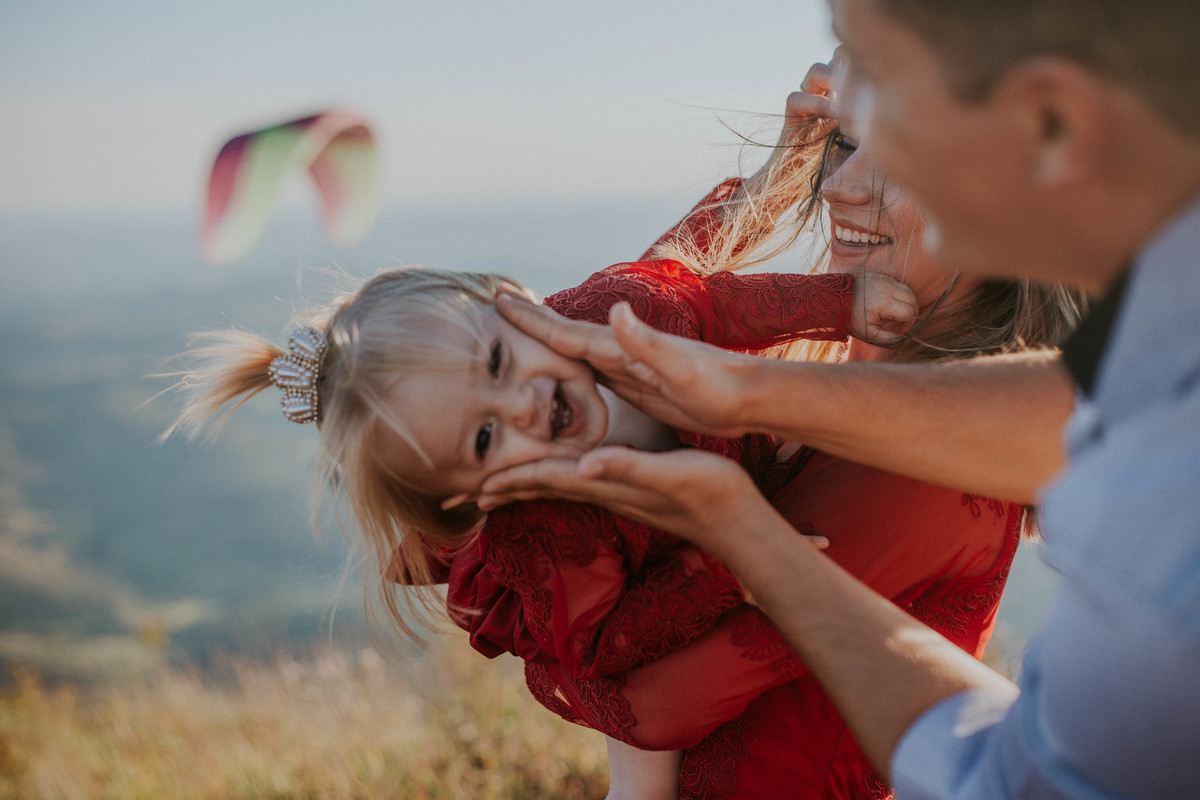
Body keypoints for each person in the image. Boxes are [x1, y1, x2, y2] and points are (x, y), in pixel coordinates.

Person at [476, 1, 1200, 797]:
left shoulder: (933, 478)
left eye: (895, 136)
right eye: (843, 145)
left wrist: (485, 555)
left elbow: (646, 708)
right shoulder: (851, 378)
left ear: (1047, 120)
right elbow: (655, 311)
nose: (841, 188)